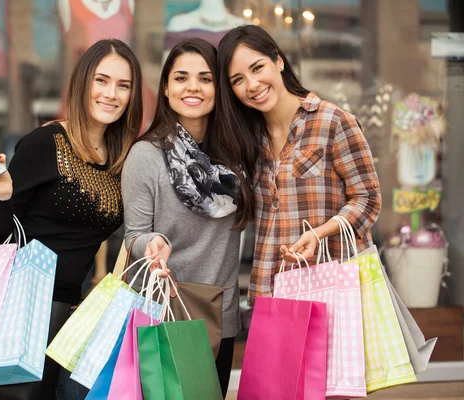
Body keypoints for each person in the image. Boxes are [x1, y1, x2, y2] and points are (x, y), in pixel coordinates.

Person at [0, 39, 143, 400]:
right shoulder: (44, 143)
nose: (112, 94)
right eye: (101, 80)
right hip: (18, 312)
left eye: (123, 85)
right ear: (82, 84)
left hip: (73, 317)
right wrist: (2, 196)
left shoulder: (123, 157)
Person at [212, 25, 382, 304]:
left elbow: (368, 198)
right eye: (238, 80)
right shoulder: (247, 140)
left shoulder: (332, 121)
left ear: (278, 61)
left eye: (257, 68)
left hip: (333, 286)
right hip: (272, 289)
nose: (252, 85)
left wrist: (318, 233)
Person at [122, 38, 243, 397]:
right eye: (181, 77)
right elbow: (135, 235)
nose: (193, 87)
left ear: (218, 89)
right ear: (166, 88)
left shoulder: (237, 158)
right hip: (164, 311)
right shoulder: (146, 156)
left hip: (220, 313)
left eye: (205, 78)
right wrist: (152, 243)